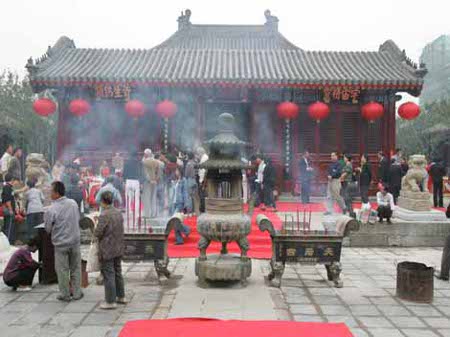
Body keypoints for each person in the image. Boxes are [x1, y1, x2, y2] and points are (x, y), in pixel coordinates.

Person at [44, 181, 83, 302]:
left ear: (56, 193)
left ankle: (65, 294)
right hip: (75, 241)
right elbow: (78, 218)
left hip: (61, 244)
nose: (50, 193)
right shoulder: (73, 203)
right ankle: (77, 293)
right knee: (76, 268)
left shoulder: (51, 209)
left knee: (62, 270)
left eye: (51, 191)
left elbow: (48, 228)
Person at [94, 191, 126, 309]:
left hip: (107, 248)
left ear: (102, 202)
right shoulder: (118, 212)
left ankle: (110, 301)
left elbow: (98, 232)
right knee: (118, 271)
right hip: (118, 246)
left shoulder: (104, 215)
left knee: (109, 274)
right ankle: (121, 296)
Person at [168, 169, 191, 244]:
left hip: (179, 202)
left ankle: (186, 230)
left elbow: (185, 192)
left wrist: (186, 204)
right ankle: (180, 239)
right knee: (175, 221)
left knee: (175, 220)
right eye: (175, 171)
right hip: (173, 203)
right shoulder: (175, 180)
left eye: (177, 170)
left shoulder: (183, 180)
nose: (176, 172)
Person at [123, 150, 141, 227]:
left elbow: (124, 173)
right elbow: (141, 173)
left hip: (128, 181)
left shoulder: (126, 163)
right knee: (136, 199)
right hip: (136, 181)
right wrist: (142, 182)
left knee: (128, 199)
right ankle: (136, 215)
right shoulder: (139, 163)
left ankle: (128, 213)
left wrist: (124, 181)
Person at [1, 174, 21, 244]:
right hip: (8, 209)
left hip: (9, 209)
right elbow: (7, 200)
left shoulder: (9, 187)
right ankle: (8, 242)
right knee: (9, 227)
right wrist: (10, 210)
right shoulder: (7, 187)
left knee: (9, 225)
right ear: (12, 179)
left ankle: (8, 241)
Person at [142, 150, 160, 218]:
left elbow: (145, 173)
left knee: (147, 198)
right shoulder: (156, 161)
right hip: (154, 181)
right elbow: (158, 172)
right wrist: (156, 179)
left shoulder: (145, 162)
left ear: (146, 154)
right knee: (153, 198)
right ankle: (154, 213)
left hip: (148, 182)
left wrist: (149, 180)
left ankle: (147, 214)